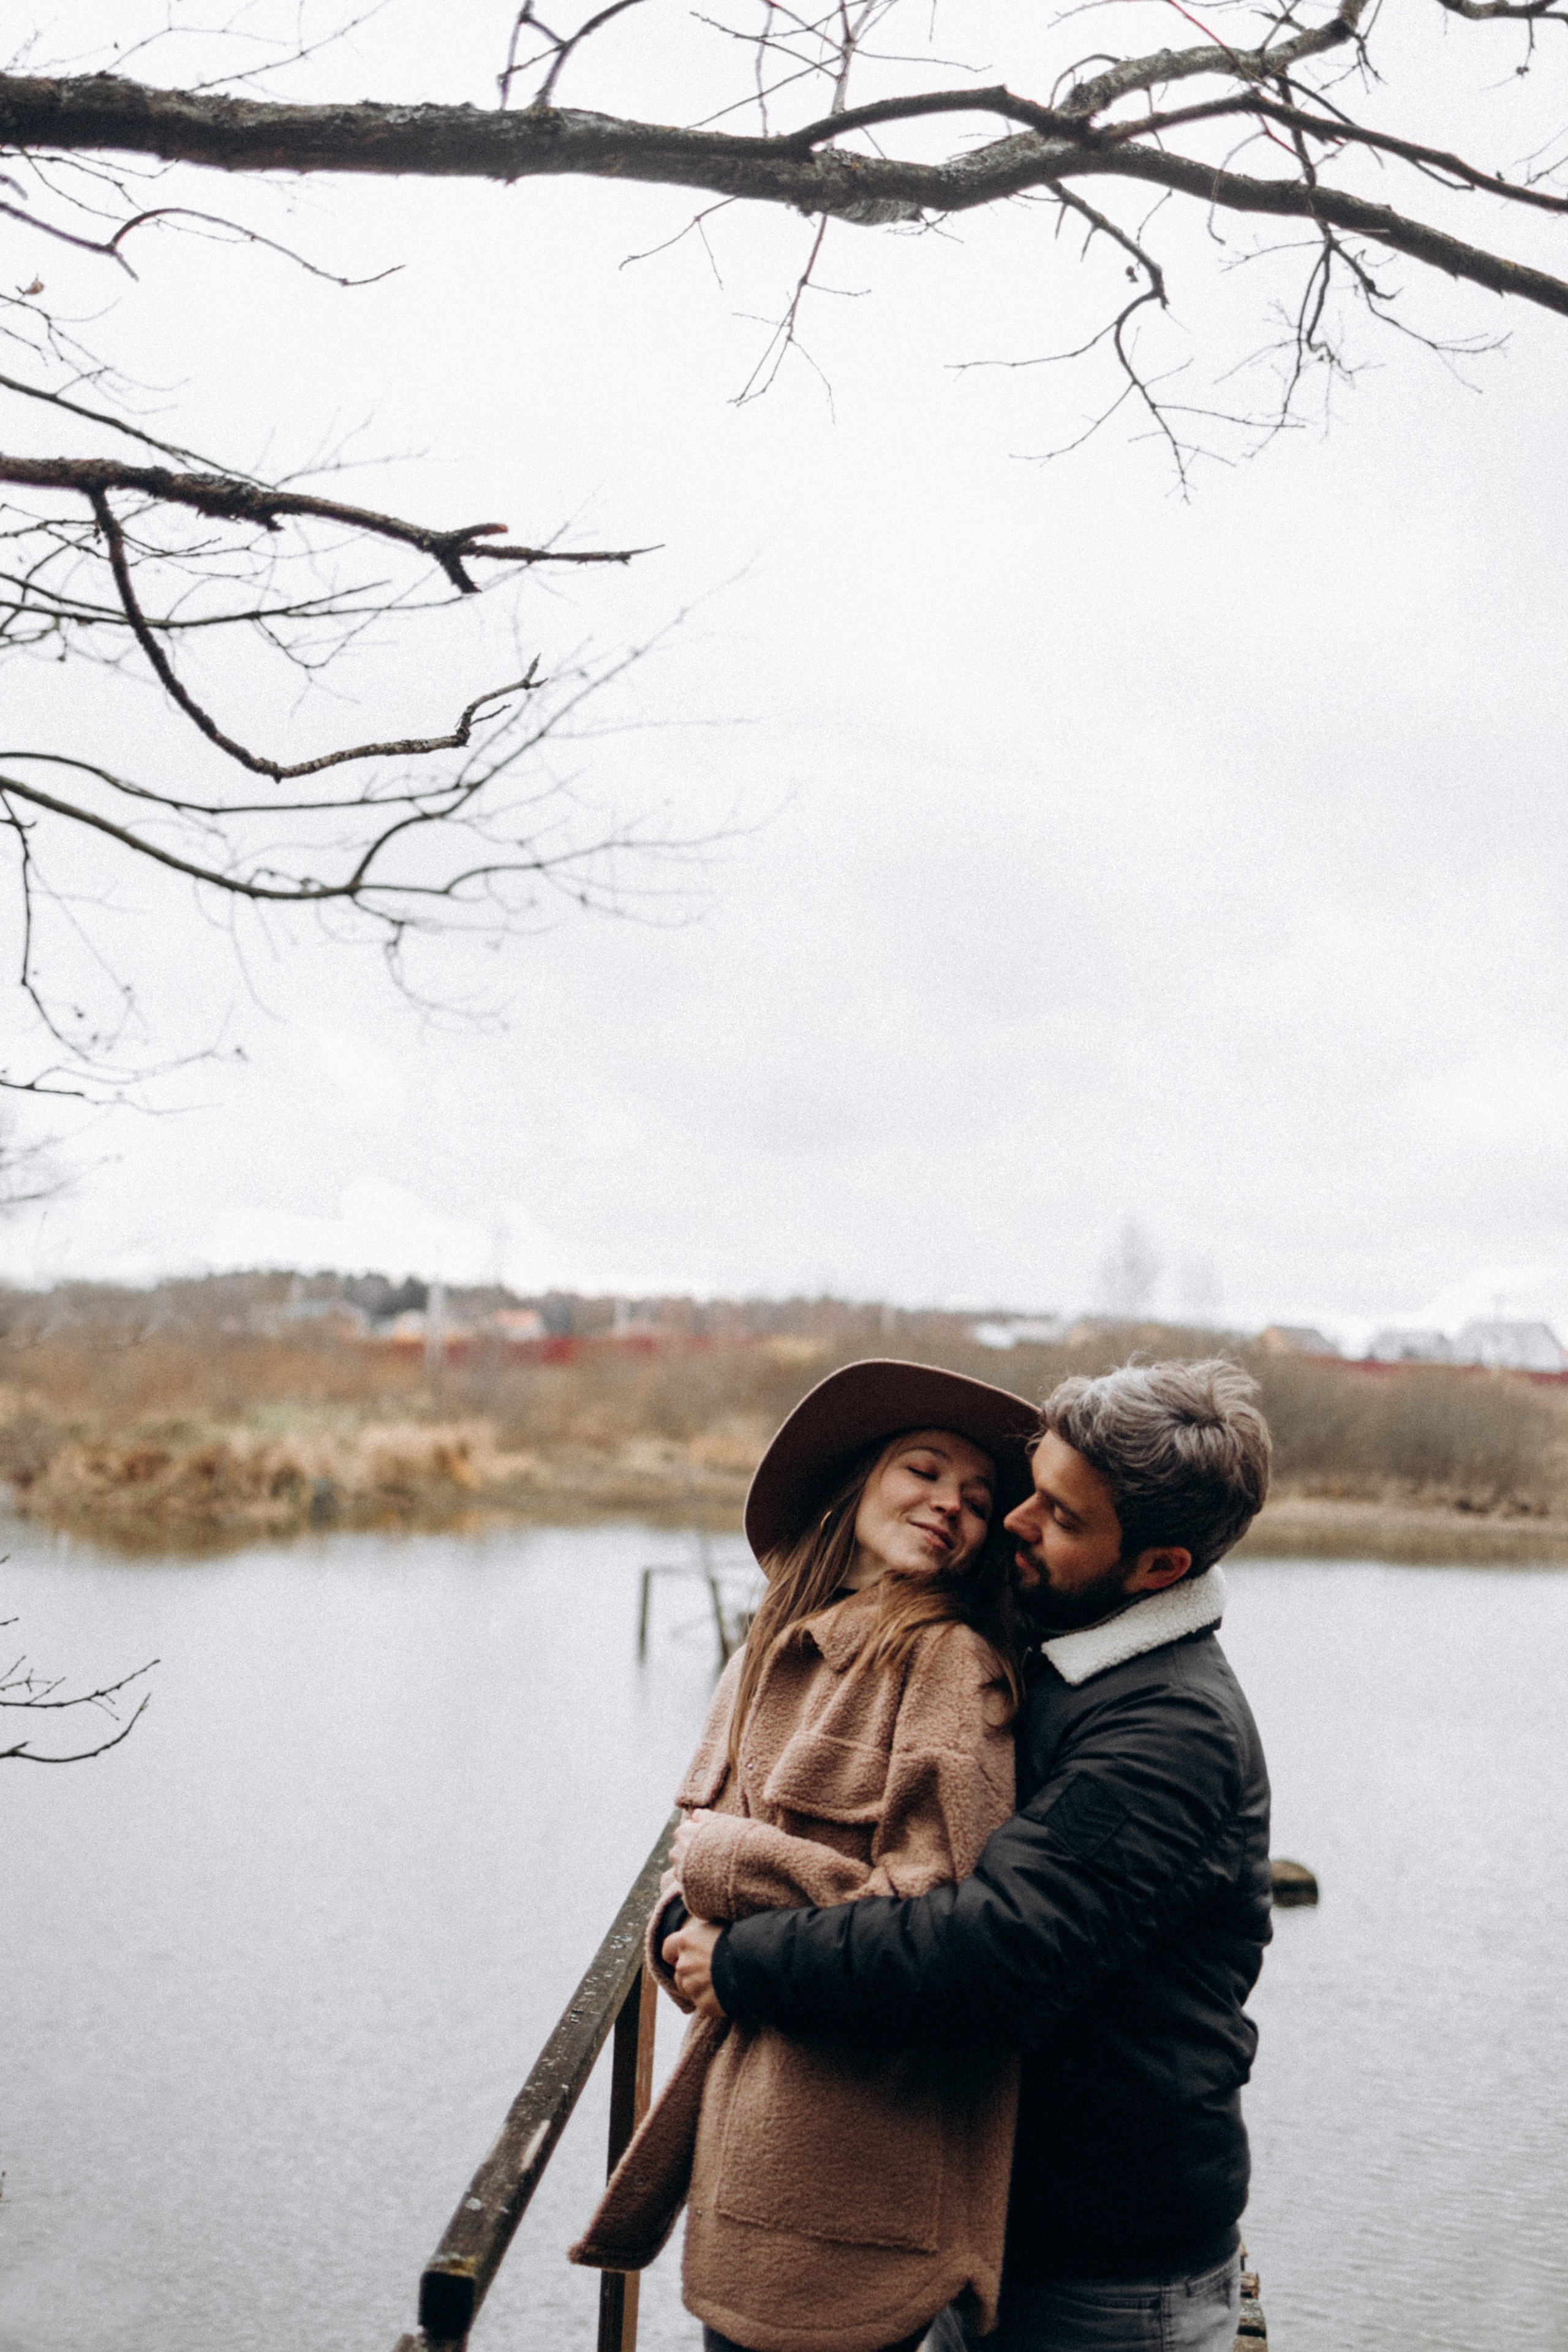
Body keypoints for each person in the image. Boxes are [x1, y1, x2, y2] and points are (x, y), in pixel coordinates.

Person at [667, 1359, 1274, 2352]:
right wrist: (689, 1909)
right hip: (982, 2212)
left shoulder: (1168, 1735)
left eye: (1061, 1517)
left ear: (1160, 1568)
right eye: (1031, 1490)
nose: (1017, 1522)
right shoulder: (1057, 1642)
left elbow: (994, 1953)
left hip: (1103, 2269)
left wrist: (739, 1960)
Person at [570, 1358, 1041, 2352]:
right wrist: (679, 1933)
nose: (951, 1505)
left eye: (978, 1499)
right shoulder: (771, 1645)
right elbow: (686, 1860)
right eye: (924, 1471)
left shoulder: (951, 1666)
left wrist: (734, 1877)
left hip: (857, 2173)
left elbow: (941, 1921)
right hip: (747, 2150)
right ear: (859, 1481)